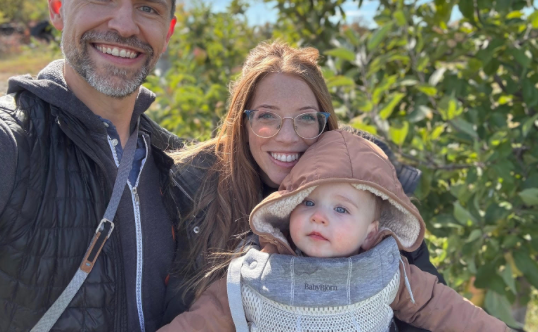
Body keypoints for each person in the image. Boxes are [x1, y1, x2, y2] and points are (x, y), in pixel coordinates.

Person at [162, 41, 444, 332]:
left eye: (306, 118)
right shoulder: (194, 193)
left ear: (326, 124)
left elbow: (427, 311)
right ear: (242, 123)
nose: (286, 137)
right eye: (267, 116)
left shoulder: (368, 189)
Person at [0, 0, 182, 331]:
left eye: (148, 7)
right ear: (57, 5)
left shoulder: (174, 163)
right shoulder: (13, 140)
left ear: (167, 32)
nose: (123, 25)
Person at [160, 130, 509, 332]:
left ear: (371, 233)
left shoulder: (389, 271)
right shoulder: (258, 272)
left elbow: (448, 309)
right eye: (308, 203)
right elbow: (200, 322)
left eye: (341, 209)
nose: (319, 217)